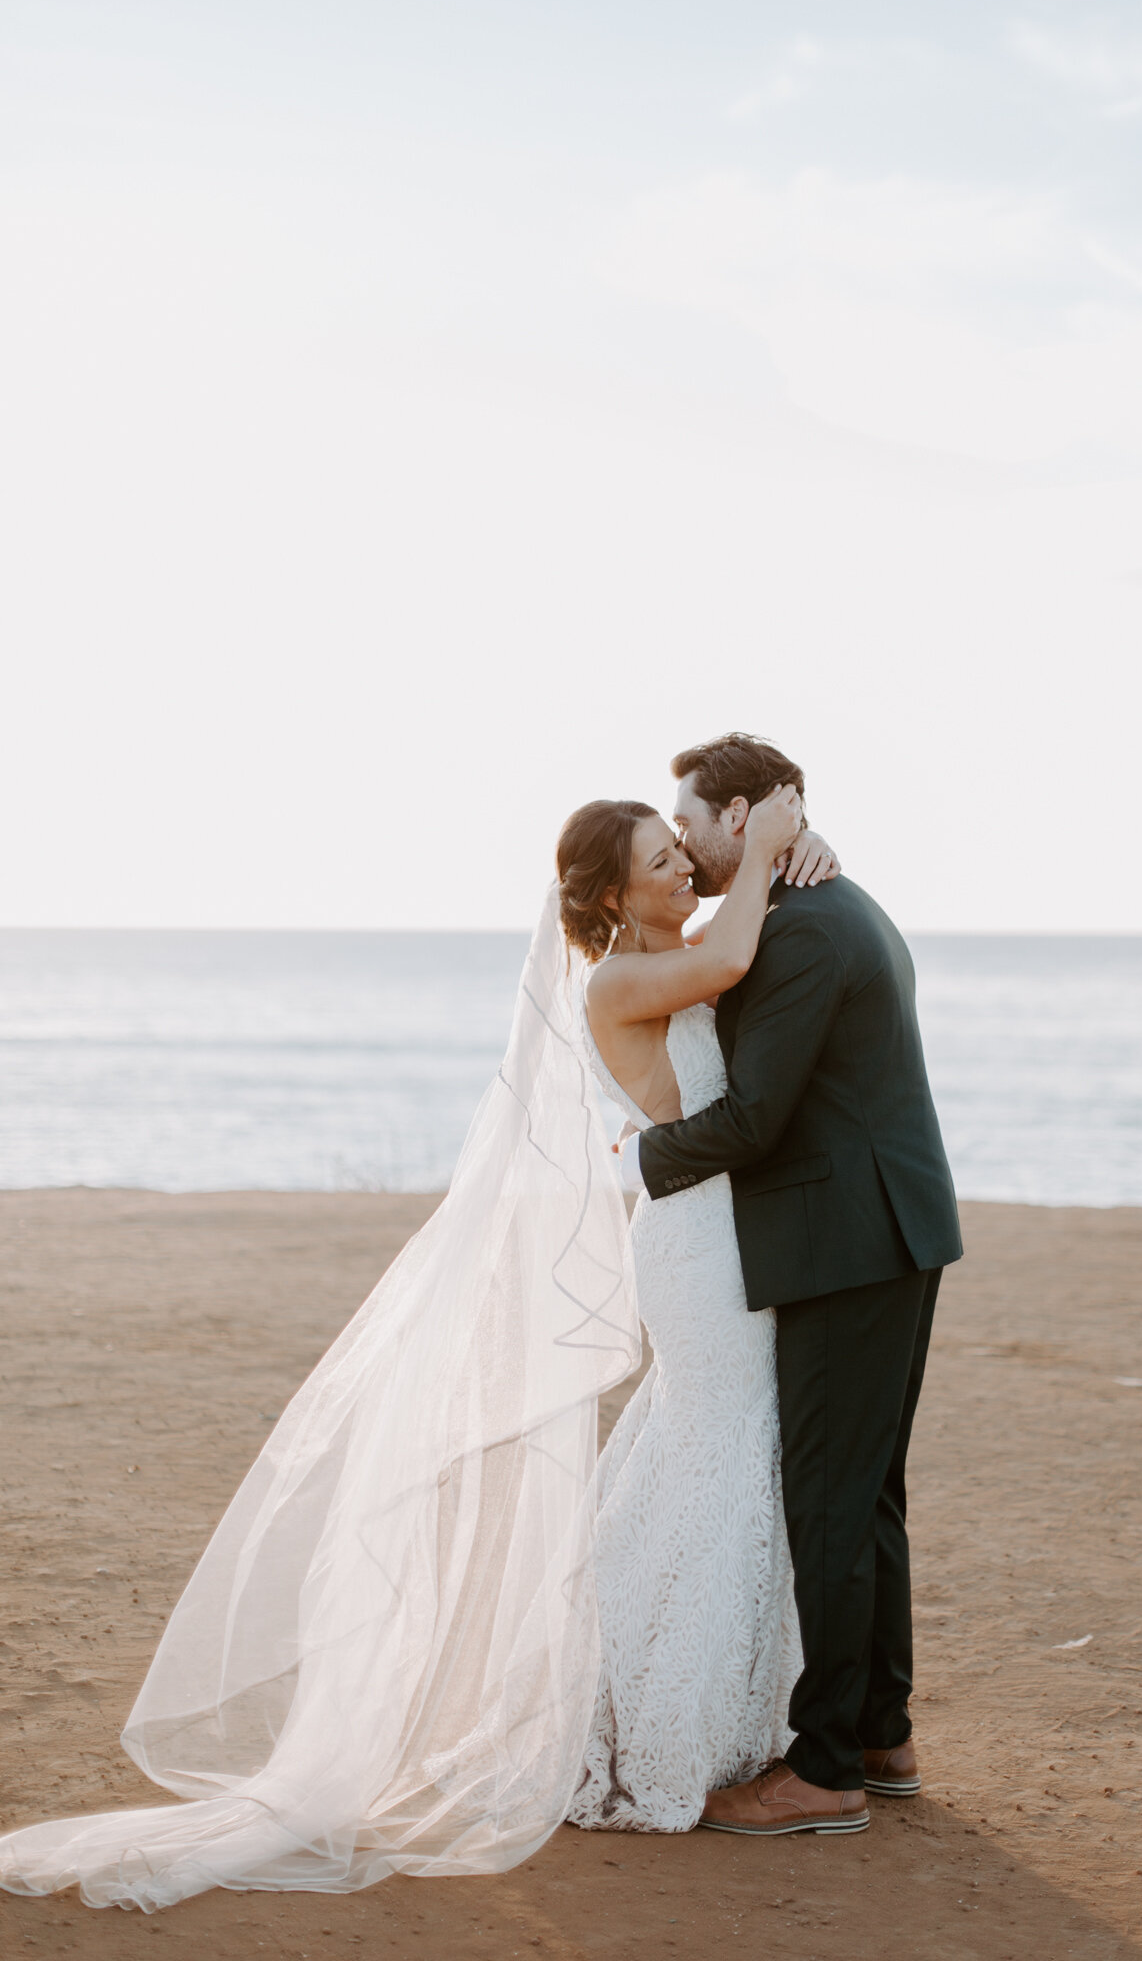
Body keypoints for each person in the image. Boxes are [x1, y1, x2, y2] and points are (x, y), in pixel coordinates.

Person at [0, 778, 846, 1910]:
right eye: (660, 860)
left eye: (678, 855)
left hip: (712, 1232)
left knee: (701, 1456)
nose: (682, 869)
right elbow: (738, 957)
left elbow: (736, 930)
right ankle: (660, 1733)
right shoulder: (626, 976)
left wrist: (790, 854)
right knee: (721, 1455)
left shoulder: (672, 939)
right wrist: (771, 845)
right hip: (695, 1245)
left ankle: (653, 1708)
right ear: (608, 894)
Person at [618, 732, 963, 1837]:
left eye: (692, 821)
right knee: (865, 1494)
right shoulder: (816, 902)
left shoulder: (806, 930)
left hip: (844, 1243)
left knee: (825, 1494)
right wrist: (788, 850)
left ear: (747, 814)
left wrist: (636, 1162)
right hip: (875, 1233)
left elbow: (757, 1119)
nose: (683, 840)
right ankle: (880, 1732)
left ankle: (824, 1770)